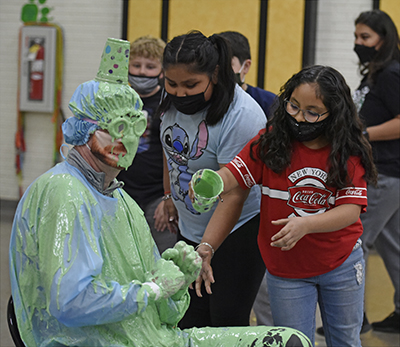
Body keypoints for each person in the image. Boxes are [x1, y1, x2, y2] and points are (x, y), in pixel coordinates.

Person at [9, 37, 311, 347]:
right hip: (105, 341)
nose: (128, 141)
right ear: (83, 130)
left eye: (136, 125)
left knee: (289, 340)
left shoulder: (120, 199)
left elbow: (164, 314)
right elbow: (70, 302)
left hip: (157, 330)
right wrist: (152, 289)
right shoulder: (65, 195)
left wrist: (175, 278)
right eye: (117, 128)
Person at [191, 65, 378, 346]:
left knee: (345, 340)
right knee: (294, 341)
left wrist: (306, 224)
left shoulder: (346, 151)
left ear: (334, 114)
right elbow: (235, 174)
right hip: (285, 270)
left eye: (312, 112)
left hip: (340, 263)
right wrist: (212, 182)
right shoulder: (270, 142)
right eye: (293, 106)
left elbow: (350, 211)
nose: (300, 118)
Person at [157, 30, 267, 328]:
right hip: (191, 229)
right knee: (188, 319)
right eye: (172, 83)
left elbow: (234, 193)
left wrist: (207, 247)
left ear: (216, 75)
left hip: (237, 232)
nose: (180, 93)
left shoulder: (241, 115)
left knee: (225, 322)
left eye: (191, 84)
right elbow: (171, 152)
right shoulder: (170, 102)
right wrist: (169, 197)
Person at [220, 29, 276, 327]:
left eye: (225, 63)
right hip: (218, 211)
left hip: (259, 214)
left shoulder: (267, 104)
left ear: (245, 66)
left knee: (266, 297)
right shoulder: (204, 103)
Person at [352, 9, 400, 333]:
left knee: (355, 241)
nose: (358, 43)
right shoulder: (374, 74)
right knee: (393, 244)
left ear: (384, 39)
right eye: (356, 37)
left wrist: (363, 135)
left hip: (385, 173)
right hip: (386, 173)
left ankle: (354, 317)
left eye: (365, 37)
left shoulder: (391, 75)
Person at [117, 35, 177, 254]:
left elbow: (174, 156)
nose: (142, 71)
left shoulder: (169, 103)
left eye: (150, 66)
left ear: (161, 71)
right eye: (136, 65)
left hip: (157, 195)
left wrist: (168, 198)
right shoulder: (118, 101)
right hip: (120, 192)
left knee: (163, 259)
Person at [219, 30, 276, 118]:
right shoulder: (205, 101)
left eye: (227, 64)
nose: (220, 70)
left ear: (246, 66)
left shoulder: (269, 103)